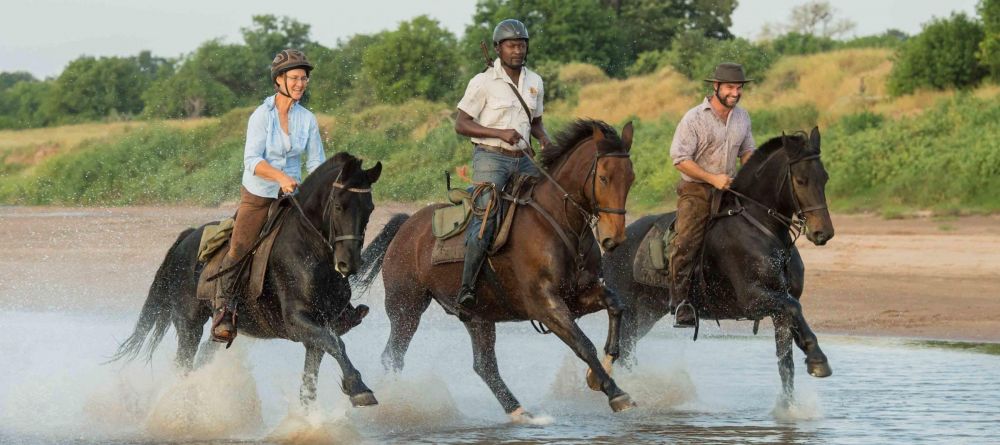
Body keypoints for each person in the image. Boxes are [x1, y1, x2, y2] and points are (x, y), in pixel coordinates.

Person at [212, 49, 367, 344]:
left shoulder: (307, 119)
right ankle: (226, 311)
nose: (300, 83)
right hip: (259, 195)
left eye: (304, 78)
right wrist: (281, 177)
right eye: (294, 78)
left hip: (294, 197)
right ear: (279, 80)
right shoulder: (261, 116)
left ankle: (340, 308)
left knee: (331, 238)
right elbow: (251, 160)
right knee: (240, 245)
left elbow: (317, 163)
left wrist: (324, 188)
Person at [453, 19, 553, 308]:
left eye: (521, 45)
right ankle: (467, 288)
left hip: (523, 158)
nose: (517, 50)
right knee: (485, 218)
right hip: (491, 157)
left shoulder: (535, 81)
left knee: (554, 203)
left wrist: (545, 139)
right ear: (498, 48)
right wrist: (499, 133)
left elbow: (536, 123)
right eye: (511, 45)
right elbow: (461, 124)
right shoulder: (482, 82)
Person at [667, 62, 756, 328]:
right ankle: (680, 302)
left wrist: (750, 174)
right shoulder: (694, 118)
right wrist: (712, 178)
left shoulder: (742, 117)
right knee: (685, 242)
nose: (735, 93)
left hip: (730, 187)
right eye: (730, 87)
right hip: (696, 190)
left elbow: (748, 150)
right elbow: (680, 159)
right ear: (715, 87)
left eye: (739, 88)